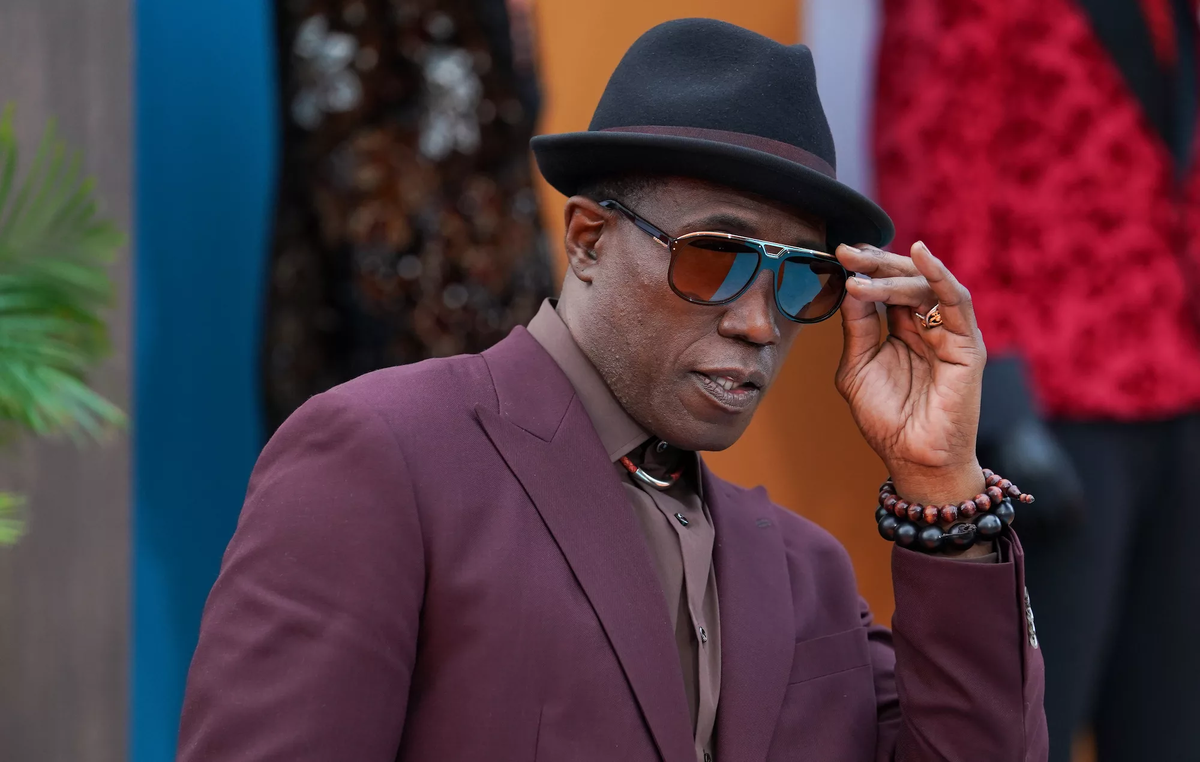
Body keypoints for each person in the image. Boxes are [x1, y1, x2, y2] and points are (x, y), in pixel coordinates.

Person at [178, 18, 1047, 762]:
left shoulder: (803, 571)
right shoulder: (383, 458)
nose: (759, 322)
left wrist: (941, 484)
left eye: (799, 281)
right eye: (715, 257)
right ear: (589, 240)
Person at [874, 0, 1200, 759]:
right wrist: (995, 408)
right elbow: (925, 183)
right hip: (1050, 411)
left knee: (1172, 726)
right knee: (1028, 727)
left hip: (1181, 388)